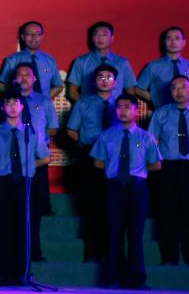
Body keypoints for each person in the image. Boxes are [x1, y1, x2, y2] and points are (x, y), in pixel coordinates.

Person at [0, 95, 51, 287]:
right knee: (3, 226)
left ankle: (22, 273)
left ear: (22, 107)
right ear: (2, 108)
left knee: (23, 226)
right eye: (7, 103)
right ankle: (3, 274)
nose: (11, 106)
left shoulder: (31, 132)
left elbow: (45, 158)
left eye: (15, 103)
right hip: (3, 181)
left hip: (25, 182)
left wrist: (29, 166)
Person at [0, 62, 58, 260]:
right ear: (13, 79)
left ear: (34, 78)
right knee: (8, 209)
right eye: (19, 74)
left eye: (28, 74)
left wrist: (37, 144)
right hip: (10, 162)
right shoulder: (3, 103)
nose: (23, 78)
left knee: (33, 209)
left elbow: (52, 128)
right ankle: (7, 253)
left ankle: (32, 250)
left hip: (35, 160)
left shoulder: (44, 101)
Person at [91, 94, 161, 290]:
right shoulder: (106, 136)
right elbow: (98, 162)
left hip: (137, 187)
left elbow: (156, 164)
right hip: (115, 186)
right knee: (114, 233)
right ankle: (113, 278)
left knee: (135, 234)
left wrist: (137, 171)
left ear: (136, 110)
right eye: (119, 107)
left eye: (127, 107)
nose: (122, 111)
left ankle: (137, 279)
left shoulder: (146, 137)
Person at [148, 75, 189, 266]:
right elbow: (153, 141)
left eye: (183, 87)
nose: (179, 91)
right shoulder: (160, 113)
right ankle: (169, 257)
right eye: (174, 88)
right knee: (167, 212)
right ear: (170, 91)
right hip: (167, 167)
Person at [65, 64, 120, 262]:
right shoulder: (83, 104)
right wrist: (85, 145)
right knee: (91, 205)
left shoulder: (121, 104)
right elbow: (71, 130)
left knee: (114, 205)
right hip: (89, 156)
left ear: (115, 82)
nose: (104, 80)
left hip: (115, 158)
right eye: (100, 77)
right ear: (94, 81)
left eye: (109, 77)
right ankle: (92, 252)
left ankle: (113, 254)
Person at [66, 21, 137, 102]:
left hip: (114, 108)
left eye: (104, 35)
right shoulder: (81, 61)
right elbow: (72, 92)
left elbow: (131, 92)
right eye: (96, 35)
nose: (100, 38)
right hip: (89, 108)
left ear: (112, 38)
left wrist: (119, 107)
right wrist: (85, 106)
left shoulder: (122, 63)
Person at [136, 26, 189, 109]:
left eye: (177, 38)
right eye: (169, 38)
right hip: (161, 113)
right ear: (164, 42)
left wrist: (182, 102)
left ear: (183, 43)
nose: (173, 42)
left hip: (186, 113)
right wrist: (157, 100)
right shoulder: (153, 66)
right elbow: (138, 89)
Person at [0, 21, 63, 98]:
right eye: (28, 34)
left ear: (42, 36)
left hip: (42, 105)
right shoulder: (12, 60)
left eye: (37, 34)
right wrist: (16, 96)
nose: (33, 37)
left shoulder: (50, 60)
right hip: (19, 104)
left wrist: (44, 99)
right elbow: (1, 85)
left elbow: (58, 86)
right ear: (22, 37)